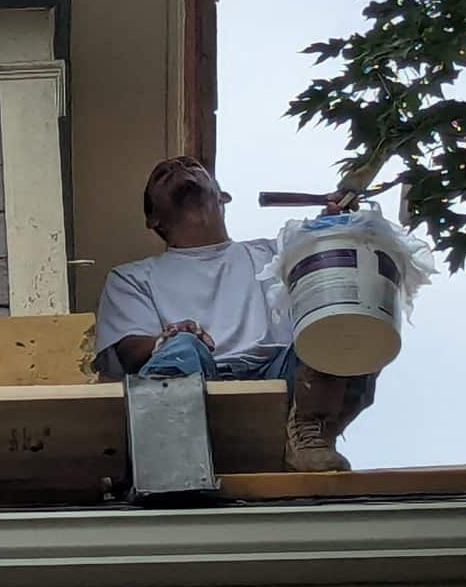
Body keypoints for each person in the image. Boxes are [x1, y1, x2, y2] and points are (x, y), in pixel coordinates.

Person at [94, 155, 375, 474]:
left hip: (284, 382)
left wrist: (334, 222)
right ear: (152, 219)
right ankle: (171, 461)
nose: (177, 170)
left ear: (222, 196)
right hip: (194, 383)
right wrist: (167, 339)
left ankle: (307, 435)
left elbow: (325, 256)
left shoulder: (274, 256)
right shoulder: (133, 277)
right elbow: (128, 351)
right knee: (183, 346)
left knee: (344, 320)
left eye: (190, 165)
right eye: (162, 174)